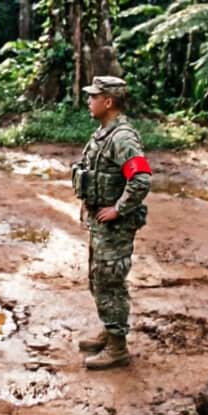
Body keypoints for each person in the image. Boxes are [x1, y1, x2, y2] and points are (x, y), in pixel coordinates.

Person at [71, 76, 152, 370]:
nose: (88, 101)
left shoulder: (122, 138)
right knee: (98, 279)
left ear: (108, 102)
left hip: (115, 228)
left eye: (93, 97)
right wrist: (87, 204)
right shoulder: (103, 133)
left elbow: (141, 179)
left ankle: (118, 348)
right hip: (100, 224)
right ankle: (109, 330)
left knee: (110, 283)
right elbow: (93, 174)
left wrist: (118, 209)